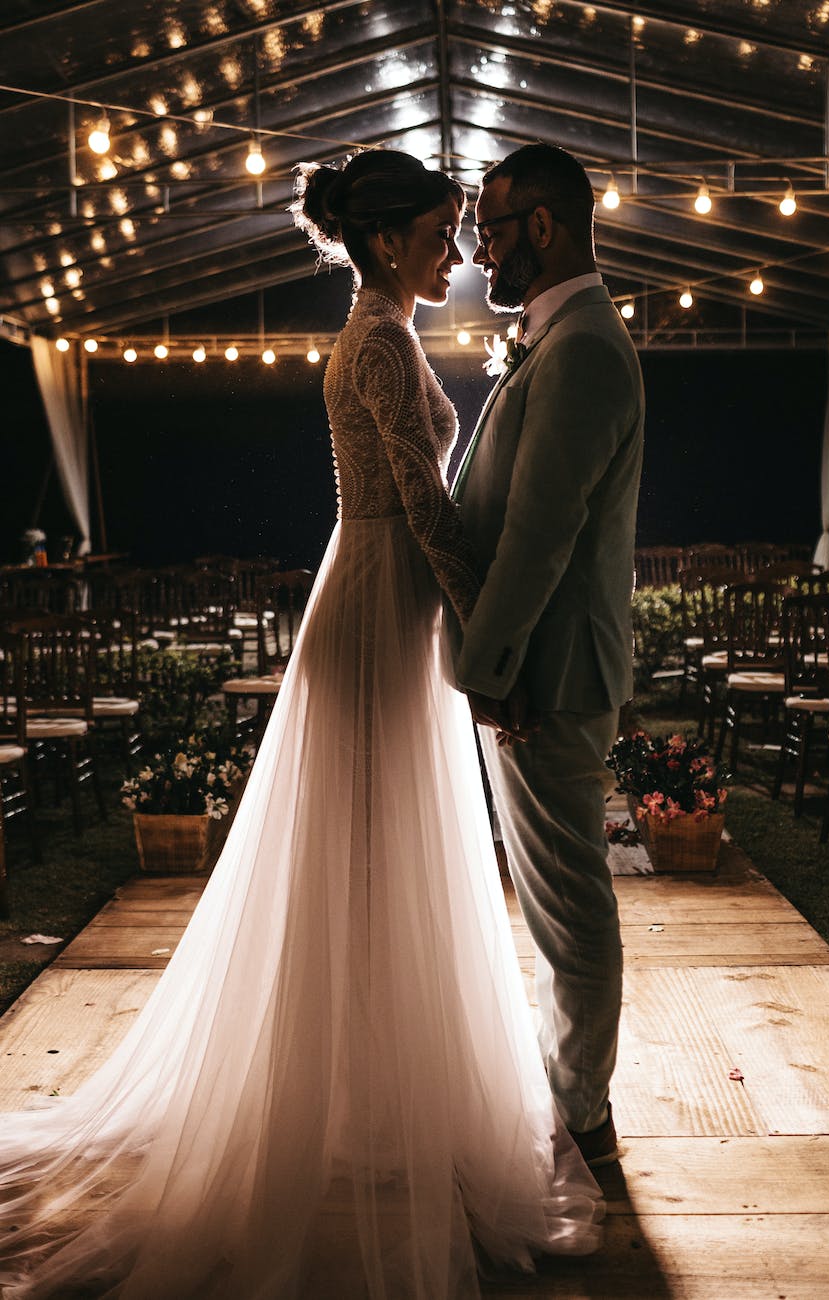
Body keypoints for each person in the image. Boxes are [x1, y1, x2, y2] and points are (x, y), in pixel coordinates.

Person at [0, 150, 603, 1300]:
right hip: (376, 608)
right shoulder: (378, 341)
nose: (453, 250)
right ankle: (357, 1105)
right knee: (374, 860)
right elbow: (423, 506)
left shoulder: (389, 329)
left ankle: (372, 1092)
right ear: (384, 244)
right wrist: (489, 648)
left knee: (380, 864)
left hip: (383, 601)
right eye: (437, 231)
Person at [447, 144, 644, 1166]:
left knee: (571, 909)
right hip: (533, 668)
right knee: (555, 900)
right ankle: (569, 1095)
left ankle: (584, 1117)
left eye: (494, 219)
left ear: (545, 225)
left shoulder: (582, 353)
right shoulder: (555, 338)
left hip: (547, 677)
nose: (481, 241)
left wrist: (489, 671)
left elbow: (539, 537)